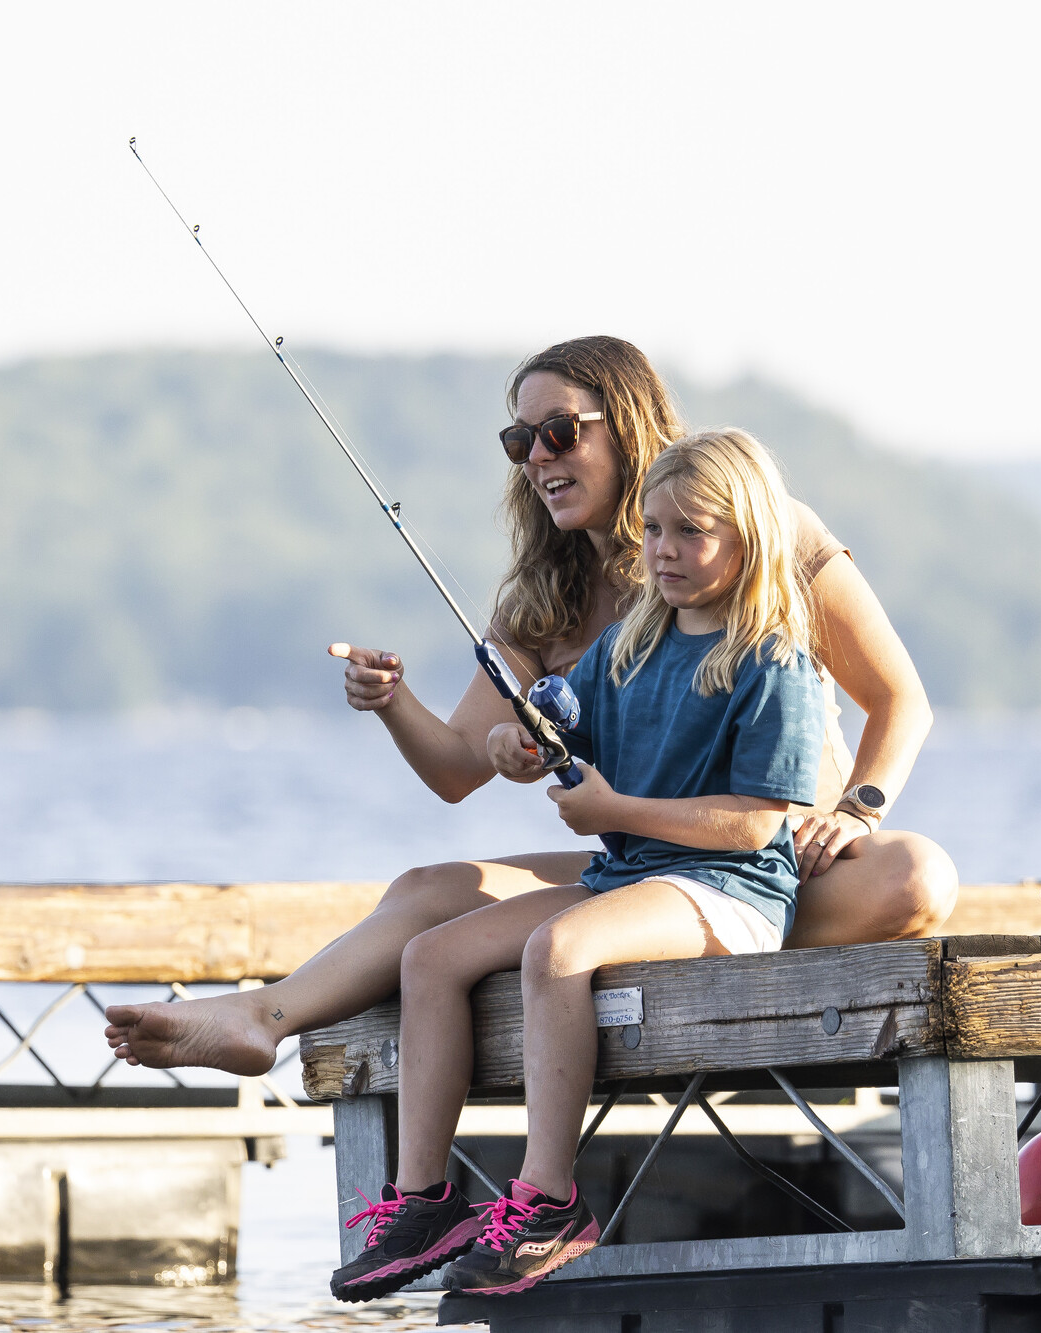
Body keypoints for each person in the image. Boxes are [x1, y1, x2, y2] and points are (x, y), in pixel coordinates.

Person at [102, 336, 956, 1078]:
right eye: (520, 440)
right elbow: (456, 767)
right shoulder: (543, 600)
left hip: (775, 869)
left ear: (628, 428)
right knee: (429, 888)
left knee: (918, 874)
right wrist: (394, 702)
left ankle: (676, 945)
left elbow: (897, 699)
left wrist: (858, 806)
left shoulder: (763, 527)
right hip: (635, 871)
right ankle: (264, 1017)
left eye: (559, 433)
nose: (539, 457)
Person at [334, 429, 829, 1299]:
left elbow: (757, 826)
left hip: (728, 892)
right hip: (631, 880)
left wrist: (614, 812)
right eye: (654, 529)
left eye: (691, 532)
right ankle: (423, 1200)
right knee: (431, 954)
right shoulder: (631, 642)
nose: (664, 551)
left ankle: (548, 1199)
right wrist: (514, 745)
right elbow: (547, 720)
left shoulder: (774, 661)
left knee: (557, 949)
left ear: (747, 539)